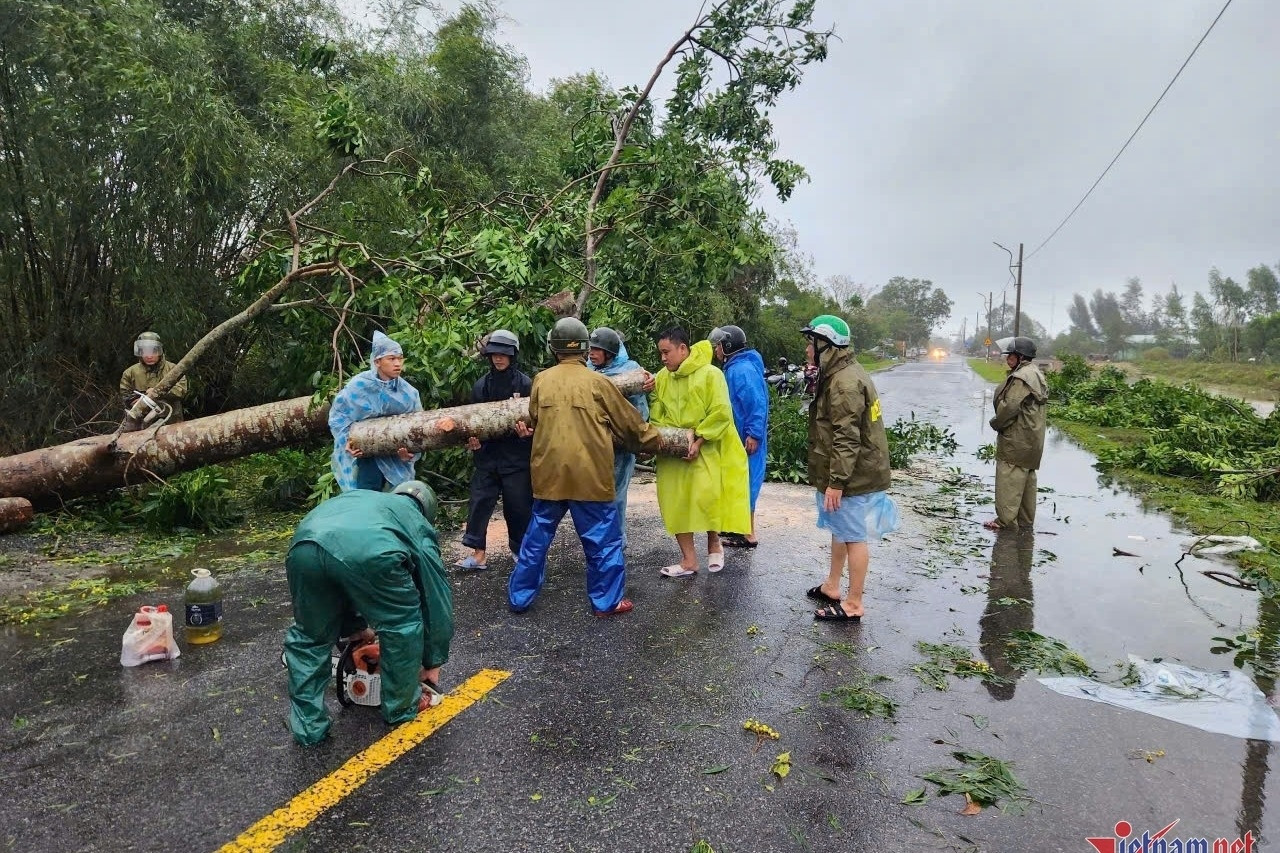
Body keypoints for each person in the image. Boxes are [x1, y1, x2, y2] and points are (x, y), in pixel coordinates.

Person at [507, 318, 665, 617]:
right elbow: (631, 424)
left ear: (554, 348)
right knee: (602, 542)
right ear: (583, 348)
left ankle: (519, 598)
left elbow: (534, 419)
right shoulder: (599, 383)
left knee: (536, 541)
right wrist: (654, 441)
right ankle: (607, 603)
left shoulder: (541, 380)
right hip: (589, 477)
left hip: (549, 475)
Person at [282, 480, 453, 746]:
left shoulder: (365, 497)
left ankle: (308, 728)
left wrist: (355, 629)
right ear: (427, 511)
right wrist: (432, 660)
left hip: (304, 546)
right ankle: (401, 706)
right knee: (402, 623)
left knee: (309, 638)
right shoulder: (417, 523)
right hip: (371, 552)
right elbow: (435, 598)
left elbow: (337, 566)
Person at [801, 314, 891, 622]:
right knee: (840, 530)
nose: (807, 349)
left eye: (810, 343)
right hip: (847, 471)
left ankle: (853, 603)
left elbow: (847, 439)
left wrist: (837, 482)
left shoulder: (844, 383)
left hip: (853, 475)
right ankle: (832, 585)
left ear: (825, 345)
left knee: (853, 536)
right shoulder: (840, 373)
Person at [648, 327, 750, 577]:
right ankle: (688, 560)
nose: (663, 358)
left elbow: (721, 411)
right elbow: (656, 412)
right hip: (674, 450)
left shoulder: (711, 374)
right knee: (677, 503)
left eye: (666, 352)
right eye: (660, 353)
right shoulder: (662, 378)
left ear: (682, 348)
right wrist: (670, 438)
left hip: (708, 446)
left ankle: (714, 542)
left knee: (707, 498)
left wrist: (699, 438)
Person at [456, 329, 534, 571]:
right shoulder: (481, 386)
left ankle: (519, 551)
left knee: (519, 506)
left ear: (513, 355)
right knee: (479, 502)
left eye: (503, 354)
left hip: (516, 457)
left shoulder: (525, 384)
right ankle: (478, 554)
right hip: (488, 457)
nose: (498, 359)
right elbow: (472, 422)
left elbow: (537, 422)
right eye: (494, 354)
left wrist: (526, 436)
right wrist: (474, 442)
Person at [328, 331, 422, 492]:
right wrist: (348, 442)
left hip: (398, 460)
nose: (398, 363)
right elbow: (338, 417)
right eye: (392, 359)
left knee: (397, 502)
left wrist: (411, 453)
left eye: (400, 358)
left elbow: (419, 428)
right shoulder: (359, 386)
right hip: (367, 456)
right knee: (367, 501)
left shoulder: (408, 393)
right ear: (377, 361)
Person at [587, 327, 649, 549]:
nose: (591, 353)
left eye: (597, 350)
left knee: (616, 493)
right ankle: (598, 538)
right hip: (594, 443)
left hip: (620, 446)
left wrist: (640, 438)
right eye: (590, 348)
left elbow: (640, 409)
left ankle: (616, 540)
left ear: (610, 353)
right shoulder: (587, 370)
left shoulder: (630, 371)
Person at [709, 325, 768, 548]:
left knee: (747, 483)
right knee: (738, 482)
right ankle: (739, 528)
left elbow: (756, 404)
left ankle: (749, 533)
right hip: (739, 436)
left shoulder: (740, 370)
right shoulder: (736, 367)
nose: (716, 351)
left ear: (727, 345)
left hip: (746, 438)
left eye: (718, 346)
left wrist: (754, 434)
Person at [984, 336, 1048, 531]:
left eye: (1010, 355)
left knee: (1009, 478)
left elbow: (1010, 406)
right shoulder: (1035, 373)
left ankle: (1005, 521)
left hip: (1017, 438)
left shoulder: (1021, 377)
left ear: (1020, 357)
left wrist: (996, 423)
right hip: (1033, 438)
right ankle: (1025, 520)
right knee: (1027, 479)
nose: (1007, 358)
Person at [119, 331, 188, 431]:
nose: (149, 356)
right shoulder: (130, 373)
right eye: (145, 352)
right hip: (142, 426)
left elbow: (181, 390)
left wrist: (157, 392)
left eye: (153, 351)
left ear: (160, 351)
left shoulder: (173, 369)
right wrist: (136, 401)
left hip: (172, 422)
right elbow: (126, 395)